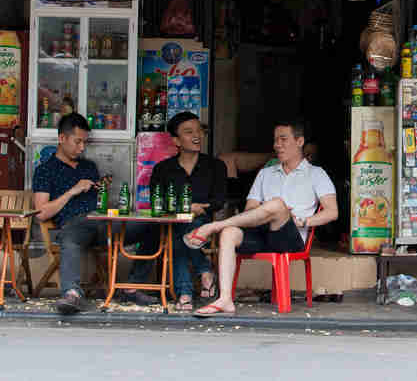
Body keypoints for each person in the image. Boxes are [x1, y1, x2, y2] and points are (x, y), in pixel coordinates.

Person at [183, 118, 338, 317]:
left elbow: (332, 212)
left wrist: (304, 221)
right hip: (261, 233)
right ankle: (225, 299)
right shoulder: (266, 173)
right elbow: (250, 208)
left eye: (283, 139)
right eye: (275, 140)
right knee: (230, 233)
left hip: (291, 237)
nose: (277, 145)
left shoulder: (316, 174)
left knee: (277, 204)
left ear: (299, 142)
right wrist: (267, 211)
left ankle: (213, 226)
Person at [33, 113, 158, 314]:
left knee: (153, 226)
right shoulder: (45, 170)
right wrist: (73, 190)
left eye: (85, 142)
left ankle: (132, 287)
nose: (82, 148)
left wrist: (102, 190)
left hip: (103, 222)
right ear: (62, 138)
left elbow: (99, 200)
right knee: (70, 237)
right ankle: (72, 294)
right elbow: (41, 213)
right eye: (78, 142)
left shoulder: (88, 166)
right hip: (74, 225)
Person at [150, 111, 227, 311]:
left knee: (180, 232)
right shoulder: (162, 169)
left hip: (203, 224)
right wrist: (183, 209)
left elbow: (219, 201)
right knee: (178, 230)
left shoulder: (216, 166)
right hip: (172, 223)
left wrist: (199, 209)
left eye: (199, 131)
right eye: (188, 132)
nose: (197, 135)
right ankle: (205, 271)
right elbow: (156, 202)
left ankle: (184, 293)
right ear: (176, 140)